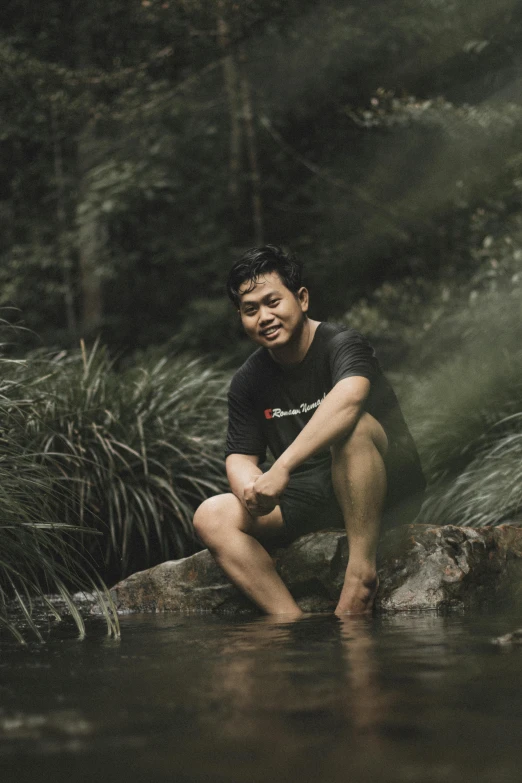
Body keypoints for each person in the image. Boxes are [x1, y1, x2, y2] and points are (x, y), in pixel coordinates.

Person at [193, 245, 425, 616]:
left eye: (273, 302)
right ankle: (288, 622)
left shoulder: (341, 344)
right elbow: (240, 455)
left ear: (301, 298)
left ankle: (361, 575)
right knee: (210, 514)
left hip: (383, 484)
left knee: (353, 430)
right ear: (241, 316)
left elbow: (350, 399)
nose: (264, 317)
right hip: (309, 496)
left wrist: (281, 468)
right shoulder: (247, 381)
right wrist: (252, 490)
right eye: (251, 310)